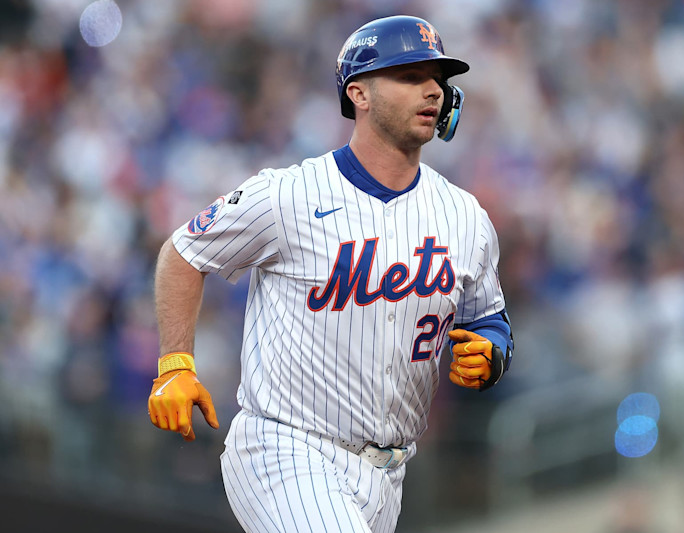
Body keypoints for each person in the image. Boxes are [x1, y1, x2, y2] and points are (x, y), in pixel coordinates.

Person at [147, 15, 513, 533]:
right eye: (410, 76)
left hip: (388, 473)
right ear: (358, 94)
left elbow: (490, 320)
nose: (433, 89)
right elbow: (184, 253)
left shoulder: (466, 217)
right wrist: (175, 365)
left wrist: (491, 354)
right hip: (286, 448)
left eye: (438, 78)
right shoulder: (288, 195)